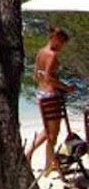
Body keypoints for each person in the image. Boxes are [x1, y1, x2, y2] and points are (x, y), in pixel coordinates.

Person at [25, 26, 75, 172]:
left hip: (41, 93)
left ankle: (44, 160)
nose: (61, 47)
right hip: (51, 95)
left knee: (48, 131)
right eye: (61, 43)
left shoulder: (41, 52)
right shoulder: (52, 55)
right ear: (55, 39)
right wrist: (67, 88)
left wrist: (47, 81)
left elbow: (36, 74)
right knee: (53, 133)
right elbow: (48, 77)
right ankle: (45, 163)